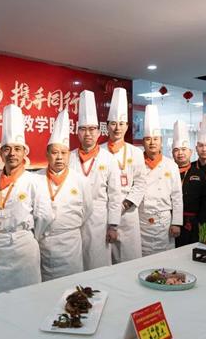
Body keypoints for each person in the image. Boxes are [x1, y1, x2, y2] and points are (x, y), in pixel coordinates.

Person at [0, 104, 53, 295]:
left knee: (27, 296)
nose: (12, 153)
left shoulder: (34, 181)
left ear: (24, 152)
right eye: (7, 149)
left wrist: (27, 235)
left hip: (23, 246)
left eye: (17, 149)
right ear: (0, 153)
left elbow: (45, 216)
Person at [37, 109, 92, 281]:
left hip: (70, 243)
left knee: (71, 286)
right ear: (47, 154)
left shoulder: (80, 180)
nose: (59, 157)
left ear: (69, 155)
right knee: (44, 286)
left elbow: (87, 211)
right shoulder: (35, 179)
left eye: (64, 153)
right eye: (55, 152)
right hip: (43, 243)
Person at [70, 90, 122, 270]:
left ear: (99, 132)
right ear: (77, 132)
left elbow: (115, 195)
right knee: (76, 263)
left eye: (92, 129)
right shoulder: (69, 158)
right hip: (74, 218)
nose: (88, 133)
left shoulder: (108, 159)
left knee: (97, 263)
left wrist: (113, 226)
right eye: (83, 129)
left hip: (99, 220)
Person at [101, 87, 146, 264]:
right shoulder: (100, 152)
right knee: (105, 261)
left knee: (130, 260)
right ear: (107, 126)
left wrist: (123, 205)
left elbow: (140, 183)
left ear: (127, 126)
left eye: (121, 124)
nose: (117, 128)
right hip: (104, 213)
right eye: (113, 123)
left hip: (128, 214)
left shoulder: (136, 152)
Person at [138, 105, 183, 256]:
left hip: (164, 221)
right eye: (148, 139)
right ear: (143, 142)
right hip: (141, 219)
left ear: (161, 141)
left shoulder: (171, 165)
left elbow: (177, 196)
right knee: (141, 257)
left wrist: (176, 222)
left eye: (156, 139)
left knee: (164, 257)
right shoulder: (136, 163)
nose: (152, 143)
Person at [171, 120, 206, 247]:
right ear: (172, 153)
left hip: (193, 223)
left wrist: (202, 223)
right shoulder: (167, 172)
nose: (180, 153)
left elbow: (205, 200)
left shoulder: (199, 173)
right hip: (170, 223)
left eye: (184, 149)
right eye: (176, 150)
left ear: (191, 152)